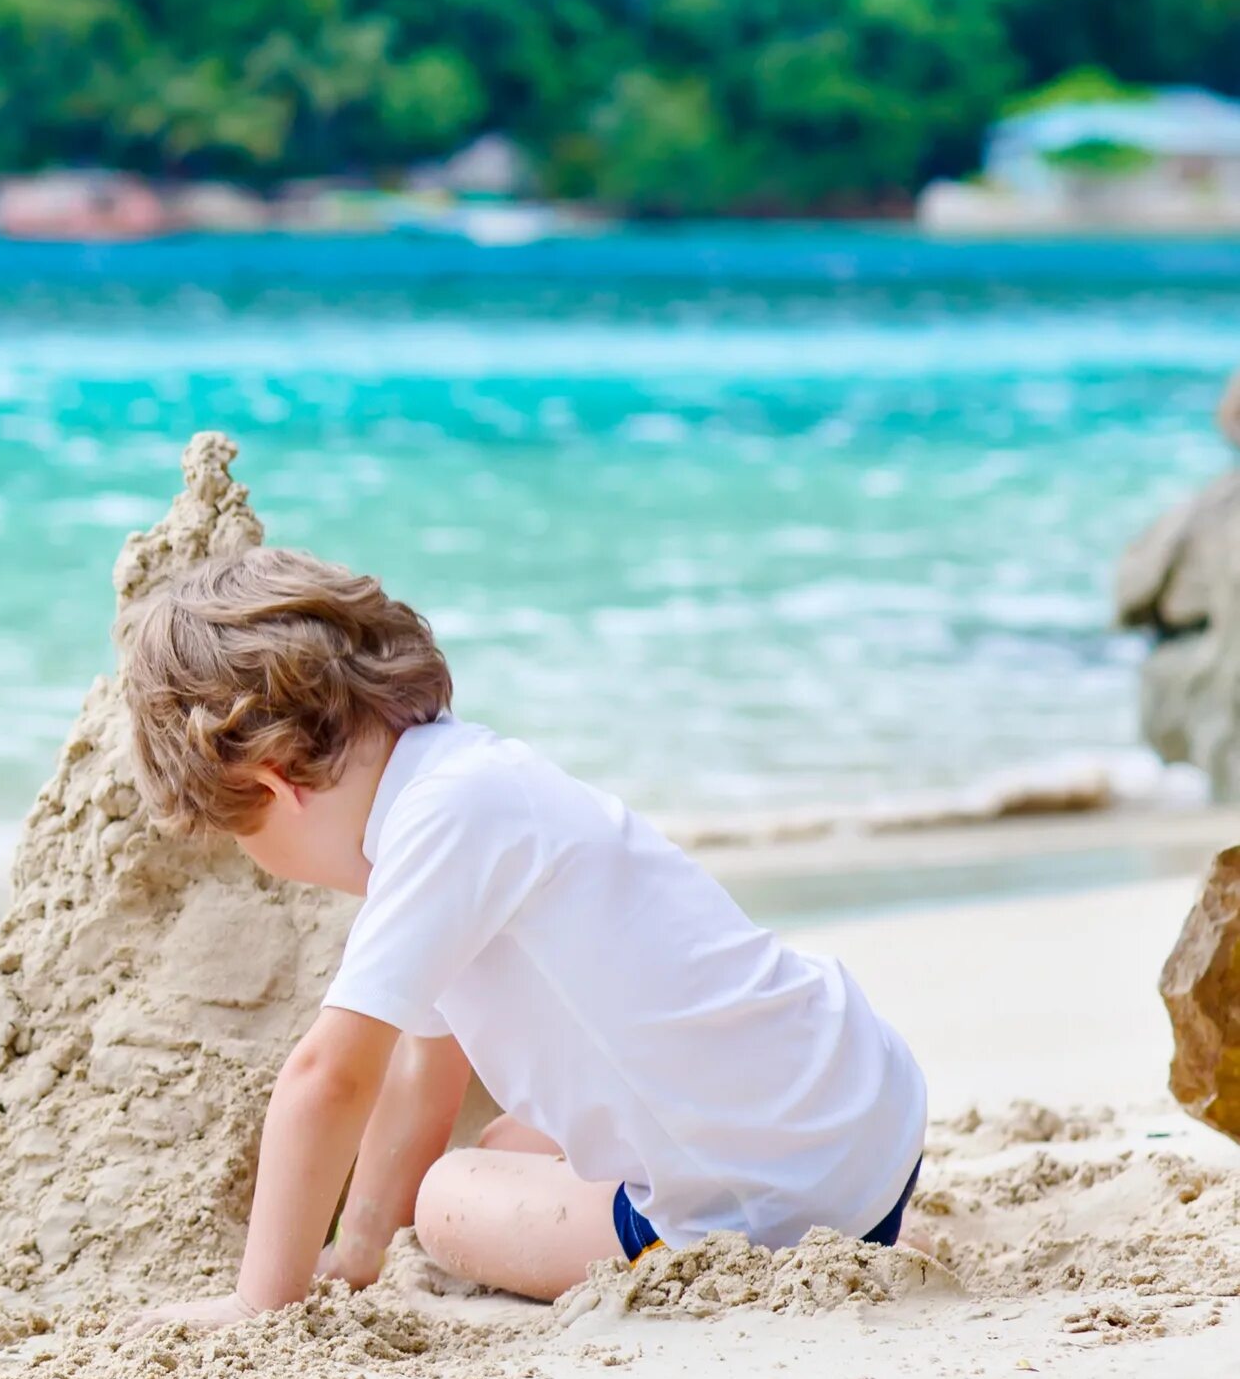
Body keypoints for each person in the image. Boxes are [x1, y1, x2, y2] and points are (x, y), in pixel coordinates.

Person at [117, 546, 925, 1317]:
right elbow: (426, 1069)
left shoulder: (439, 822)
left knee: (446, 1200)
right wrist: (359, 1255)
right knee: (506, 1140)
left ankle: (687, 1221)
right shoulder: (468, 781)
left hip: (780, 1203)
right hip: (862, 1109)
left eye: (243, 840)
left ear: (273, 786)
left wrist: (262, 1298)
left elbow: (329, 1076)